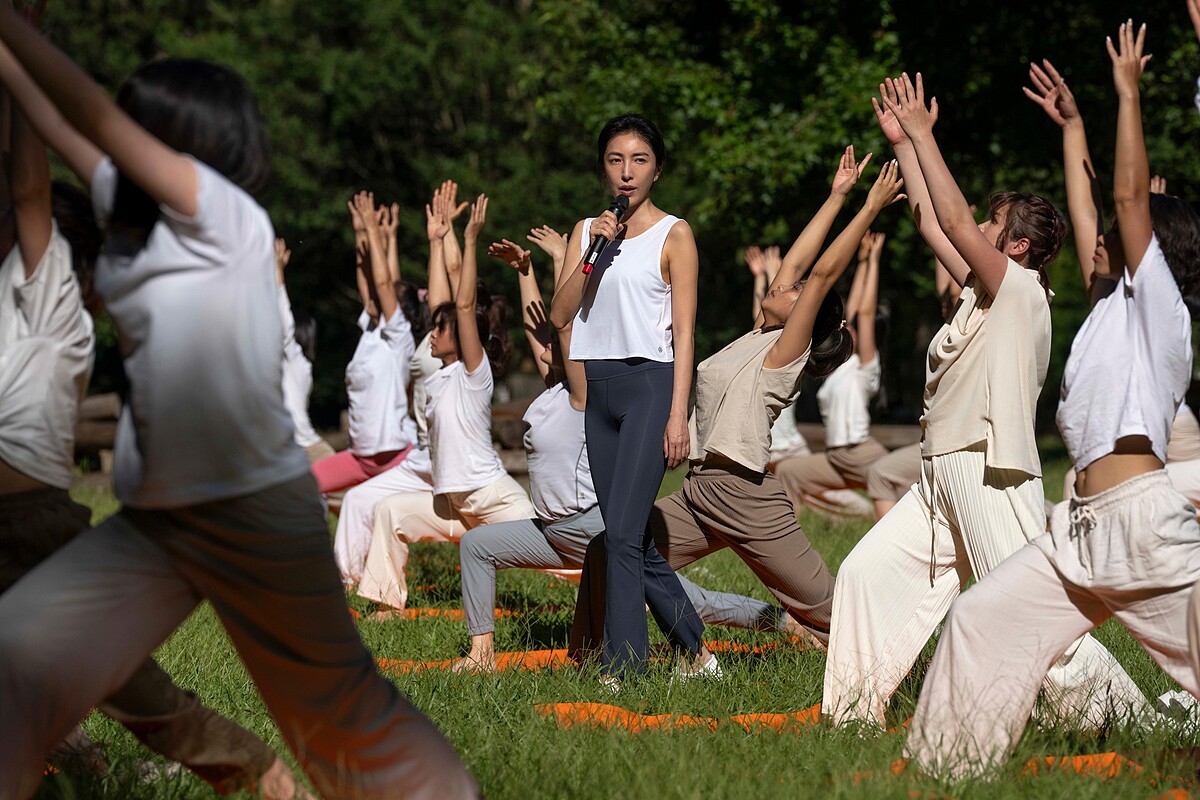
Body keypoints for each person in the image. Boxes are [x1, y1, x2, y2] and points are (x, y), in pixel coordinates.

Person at [0, 15, 474, 798]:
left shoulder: (222, 213)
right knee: (18, 661)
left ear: (186, 140)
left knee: (335, 718)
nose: (124, 139)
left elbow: (88, 116)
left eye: (141, 124)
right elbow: (53, 124)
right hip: (161, 516)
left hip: (252, 505)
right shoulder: (133, 206)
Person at [0, 45, 315, 797]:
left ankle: (262, 771)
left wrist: (15, 50)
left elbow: (35, 182)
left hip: (41, 523)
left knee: (139, 696)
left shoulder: (54, 303)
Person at [909, 26, 1200, 777]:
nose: (1095, 235)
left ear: (1152, 260)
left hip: (1145, 528)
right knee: (979, 618)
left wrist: (1126, 92)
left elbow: (1129, 197)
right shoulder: (1108, 304)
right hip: (1082, 528)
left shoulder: (1160, 311)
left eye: (1116, 233)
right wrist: (1072, 128)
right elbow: (1093, 207)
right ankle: (947, 773)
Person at [822, 73, 1146, 731]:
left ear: (1018, 245)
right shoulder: (983, 286)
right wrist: (905, 146)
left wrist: (923, 133)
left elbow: (947, 216)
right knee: (864, 575)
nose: (976, 225)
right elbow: (929, 217)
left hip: (990, 472)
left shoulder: (1020, 288)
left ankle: (1139, 725)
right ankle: (850, 717)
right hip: (944, 470)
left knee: (1026, 616)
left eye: (990, 223)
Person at [572, 150, 905, 675]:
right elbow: (797, 267)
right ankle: (590, 661)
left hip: (747, 497)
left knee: (829, 608)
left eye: (793, 293)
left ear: (807, 315)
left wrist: (868, 208)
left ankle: (911, 655)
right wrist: (836, 195)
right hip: (702, 491)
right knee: (610, 548)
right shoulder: (759, 335)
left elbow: (816, 277)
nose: (782, 285)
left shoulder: (784, 354)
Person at [453, 233, 798, 672]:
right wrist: (524, 274)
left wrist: (566, 257)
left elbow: (561, 322)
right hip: (551, 531)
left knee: (685, 596)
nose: (548, 351)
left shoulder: (584, 395)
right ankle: (481, 654)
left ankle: (775, 622)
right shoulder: (552, 393)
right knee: (477, 545)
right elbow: (541, 326)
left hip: (592, 523)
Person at [548, 113, 701, 678]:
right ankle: (695, 645)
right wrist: (591, 252)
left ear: (657, 169)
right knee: (623, 535)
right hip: (600, 389)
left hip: (650, 385)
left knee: (622, 538)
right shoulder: (588, 232)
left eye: (639, 160)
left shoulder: (674, 234)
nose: (626, 172)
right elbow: (560, 316)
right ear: (603, 169)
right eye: (615, 160)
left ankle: (625, 666)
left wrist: (677, 413)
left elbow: (685, 333)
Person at [357, 192, 535, 615]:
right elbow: (444, 304)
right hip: (451, 505)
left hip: (491, 499)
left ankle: (621, 581)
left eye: (441, 330)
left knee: (563, 554)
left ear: (462, 336)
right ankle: (387, 604)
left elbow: (461, 304)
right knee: (390, 511)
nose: (432, 334)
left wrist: (470, 240)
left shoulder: (474, 374)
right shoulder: (436, 373)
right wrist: (437, 241)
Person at [311, 190, 417, 501]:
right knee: (302, 487)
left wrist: (375, 231)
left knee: (365, 511)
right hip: (360, 457)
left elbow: (386, 284)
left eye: (381, 297)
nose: (373, 296)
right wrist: (360, 233)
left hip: (394, 457)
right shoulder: (371, 332)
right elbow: (369, 283)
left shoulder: (399, 336)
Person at [775, 230, 888, 518]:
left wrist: (872, 262)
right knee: (788, 471)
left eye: (852, 329)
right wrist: (861, 261)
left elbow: (864, 313)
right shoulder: (838, 366)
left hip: (861, 453)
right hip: (835, 457)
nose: (847, 327)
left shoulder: (866, 366)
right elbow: (852, 313)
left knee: (900, 489)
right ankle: (787, 536)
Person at [274, 237, 336, 463]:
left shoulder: (295, 361)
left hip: (306, 452)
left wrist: (277, 273)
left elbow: (284, 326)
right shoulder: (295, 366)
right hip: (302, 450)